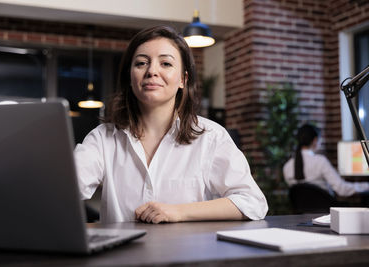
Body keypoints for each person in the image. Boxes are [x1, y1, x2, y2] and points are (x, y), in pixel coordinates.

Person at [74, 25, 268, 224]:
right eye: (141, 63)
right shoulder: (102, 138)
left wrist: (179, 212)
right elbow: (63, 189)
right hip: (120, 255)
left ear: (183, 79)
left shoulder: (211, 136)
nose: (152, 71)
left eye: (166, 63)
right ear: (130, 78)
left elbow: (252, 202)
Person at [283, 124, 369, 200]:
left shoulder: (287, 167)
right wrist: (366, 185)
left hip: (301, 216)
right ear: (315, 140)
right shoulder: (320, 162)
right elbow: (342, 189)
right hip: (326, 214)